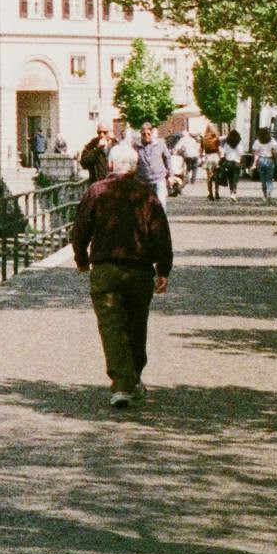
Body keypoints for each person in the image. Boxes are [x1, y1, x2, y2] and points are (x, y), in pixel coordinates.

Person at [70, 145, 174, 410]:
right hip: (139, 270)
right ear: (136, 167)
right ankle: (133, 379)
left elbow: (80, 229)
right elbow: (160, 234)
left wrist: (81, 259)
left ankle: (122, 385)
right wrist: (163, 270)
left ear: (112, 166)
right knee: (136, 326)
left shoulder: (96, 191)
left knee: (112, 328)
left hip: (105, 269)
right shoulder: (146, 195)